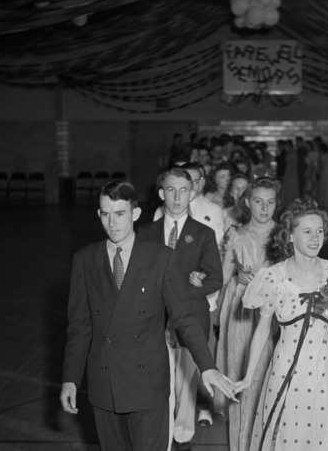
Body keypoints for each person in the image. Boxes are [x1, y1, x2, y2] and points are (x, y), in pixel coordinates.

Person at [60, 180, 236, 451]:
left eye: (120, 214)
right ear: (98, 215)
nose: (112, 222)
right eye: (105, 214)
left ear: (135, 214)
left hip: (148, 384)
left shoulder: (161, 258)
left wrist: (207, 366)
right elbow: (79, 327)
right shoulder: (85, 260)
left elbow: (184, 317)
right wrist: (71, 379)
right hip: (104, 383)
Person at [234, 199, 328, 450]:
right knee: (285, 436)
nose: (315, 238)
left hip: (326, 372)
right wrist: (249, 377)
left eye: (319, 231)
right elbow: (262, 329)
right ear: (290, 236)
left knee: (325, 437)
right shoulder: (274, 276)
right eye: (307, 231)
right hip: (286, 370)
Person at [141, 167, 224, 449]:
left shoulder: (203, 233)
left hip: (190, 318)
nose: (177, 197)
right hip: (154, 321)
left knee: (187, 380)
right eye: (171, 190)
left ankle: (184, 435)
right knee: (159, 382)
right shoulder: (145, 234)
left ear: (192, 193)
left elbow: (216, 278)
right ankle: (160, 435)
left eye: (184, 190)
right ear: (162, 193)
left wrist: (196, 285)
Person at [214, 177, 279, 450]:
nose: (265, 208)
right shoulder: (236, 234)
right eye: (258, 202)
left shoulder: (285, 234)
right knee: (242, 375)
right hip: (241, 309)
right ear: (247, 202)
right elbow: (222, 276)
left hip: (275, 310)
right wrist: (215, 313)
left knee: (269, 377)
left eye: (271, 202)